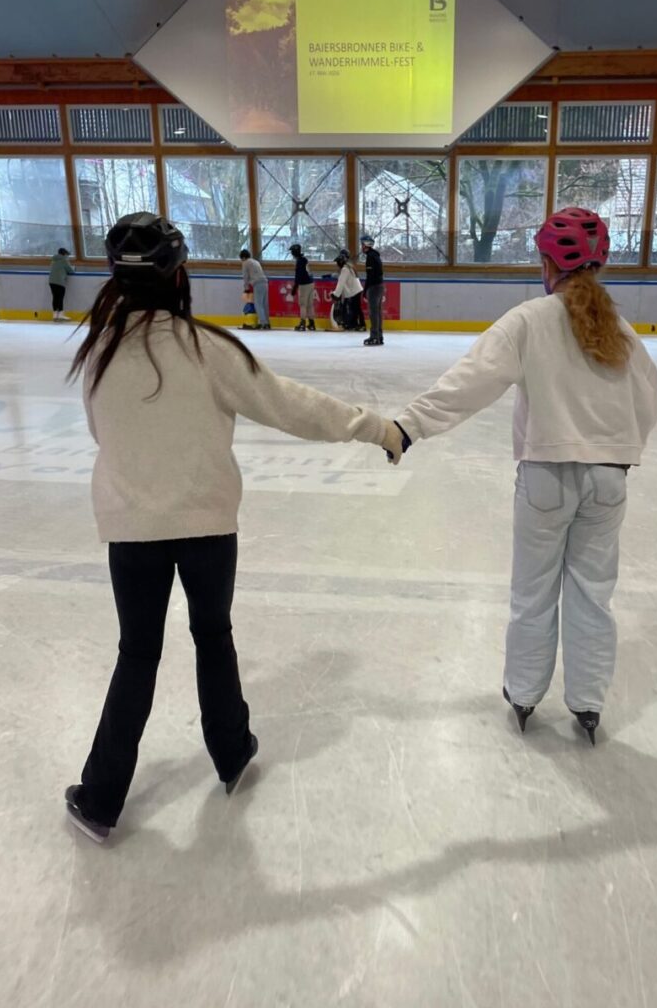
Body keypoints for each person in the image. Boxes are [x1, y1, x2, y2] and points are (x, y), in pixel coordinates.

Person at [64, 213, 404, 843]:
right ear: (177, 273)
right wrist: (376, 426)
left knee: (137, 653)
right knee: (212, 636)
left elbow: (101, 435)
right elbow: (292, 406)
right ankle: (231, 750)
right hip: (207, 529)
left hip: (131, 532)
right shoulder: (209, 351)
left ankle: (102, 796)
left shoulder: (99, 356)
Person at [391, 208, 657, 745]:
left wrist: (408, 426)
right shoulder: (623, 331)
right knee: (592, 594)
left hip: (545, 480)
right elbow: (648, 400)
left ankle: (524, 692)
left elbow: (470, 381)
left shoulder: (529, 319)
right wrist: (619, 447)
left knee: (533, 593)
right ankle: (586, 702)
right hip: (609, 480)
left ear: (545, 264)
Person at [360, 234, 385, 347]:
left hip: (374, 287)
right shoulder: (375, 256)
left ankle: (374, 336)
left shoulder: (371, 257)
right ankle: (379, 336)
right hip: (379, 286)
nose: (361, 247)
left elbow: (370, 276)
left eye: (362, 244)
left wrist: (365, 291)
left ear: (366, 245)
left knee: (373, 313)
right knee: (377, 312)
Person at [331, 249, 365, 331]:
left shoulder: (345, 269)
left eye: (338, 263)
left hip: (354, 291)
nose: (337, 265)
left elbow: (341, 283)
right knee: (355, 308)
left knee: (355, 308)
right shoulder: (349, 266)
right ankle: (354, 324)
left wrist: (335, 294)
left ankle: (360, 325)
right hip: (355, 290)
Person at [239, 249, 269, 329]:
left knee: (258, 304)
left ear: (243, 257)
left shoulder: (245, 263)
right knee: (264, 304)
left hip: (257, 283)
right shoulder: (256, 262)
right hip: (265, 282)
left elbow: (245, 276)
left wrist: (246, 288)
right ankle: (267, 322)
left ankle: (263, 323)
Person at [289, 242, 315, 332]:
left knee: (303, 305)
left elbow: (298, 276)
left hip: (304, 285)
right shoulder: (304, 259)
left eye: (292, 252)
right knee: (310, 305)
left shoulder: (299, 262)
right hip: (311, 283)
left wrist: (294, 288)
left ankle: (302, 323)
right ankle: (312, 323)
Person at [49, 247, 75, 322]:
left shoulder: (53, 260)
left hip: (51, 281)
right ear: (64, 254)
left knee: (55, 297)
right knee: (60, 297)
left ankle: (55, 315)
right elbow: (70, 270)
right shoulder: (64, 260)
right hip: (60, 281)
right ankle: (60, 315)